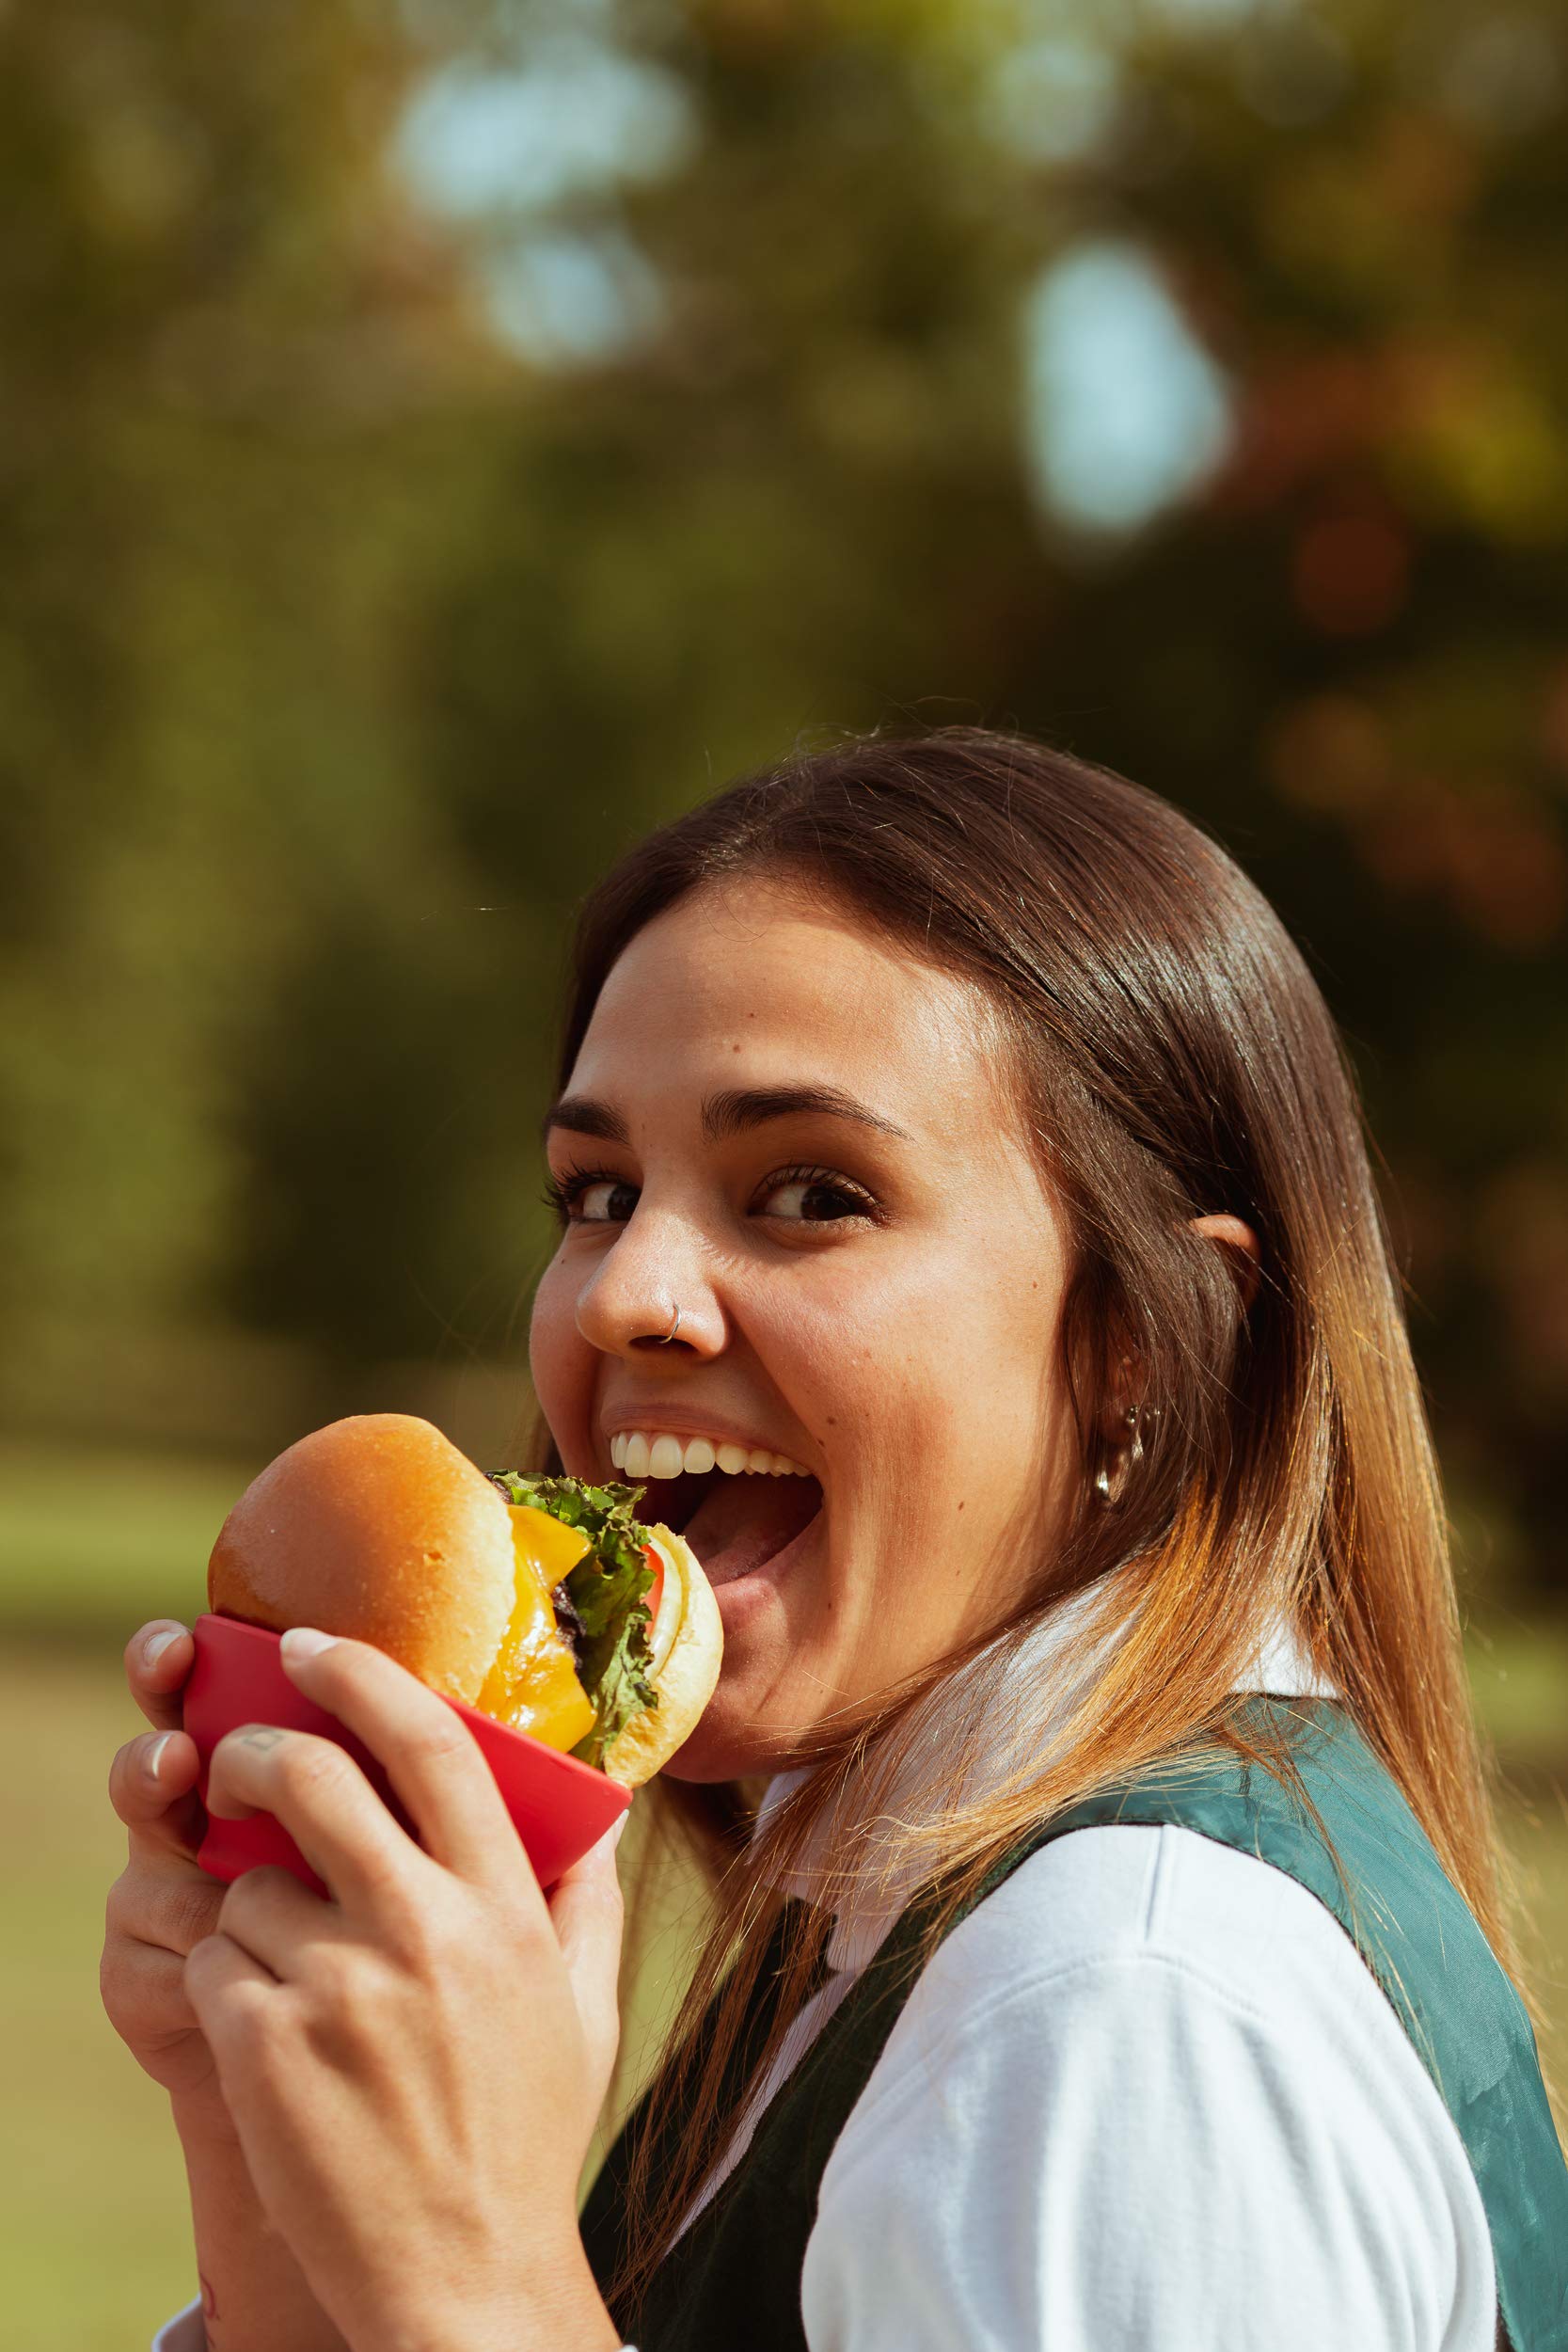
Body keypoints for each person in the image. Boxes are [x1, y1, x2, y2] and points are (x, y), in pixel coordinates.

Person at [103, 725, 1568, 2352]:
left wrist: (474, 2280)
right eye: (593, 1192)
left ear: (1143, 1342)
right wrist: (291, 2195)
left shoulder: (1121, 2003)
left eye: (809, 1194)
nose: (622, 1294)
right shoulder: (893, 1903)